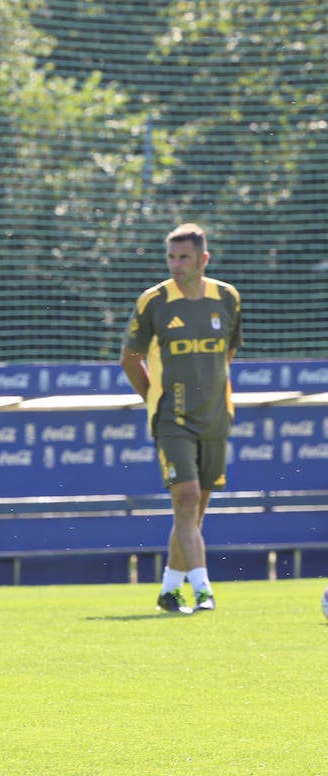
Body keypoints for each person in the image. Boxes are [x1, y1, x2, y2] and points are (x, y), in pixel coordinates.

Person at [120, 223, 242, 615]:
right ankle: (203, 590)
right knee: (186, 499)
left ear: (203, 259)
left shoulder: (227, 298)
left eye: (184, 257)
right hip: (171, 419)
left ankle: (169, 590)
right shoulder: (154, 301)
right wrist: (154, 399)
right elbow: (130, 359)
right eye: (171, 257)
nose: (176, 264)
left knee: (195, 509)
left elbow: (227, 354)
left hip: (216, 417)